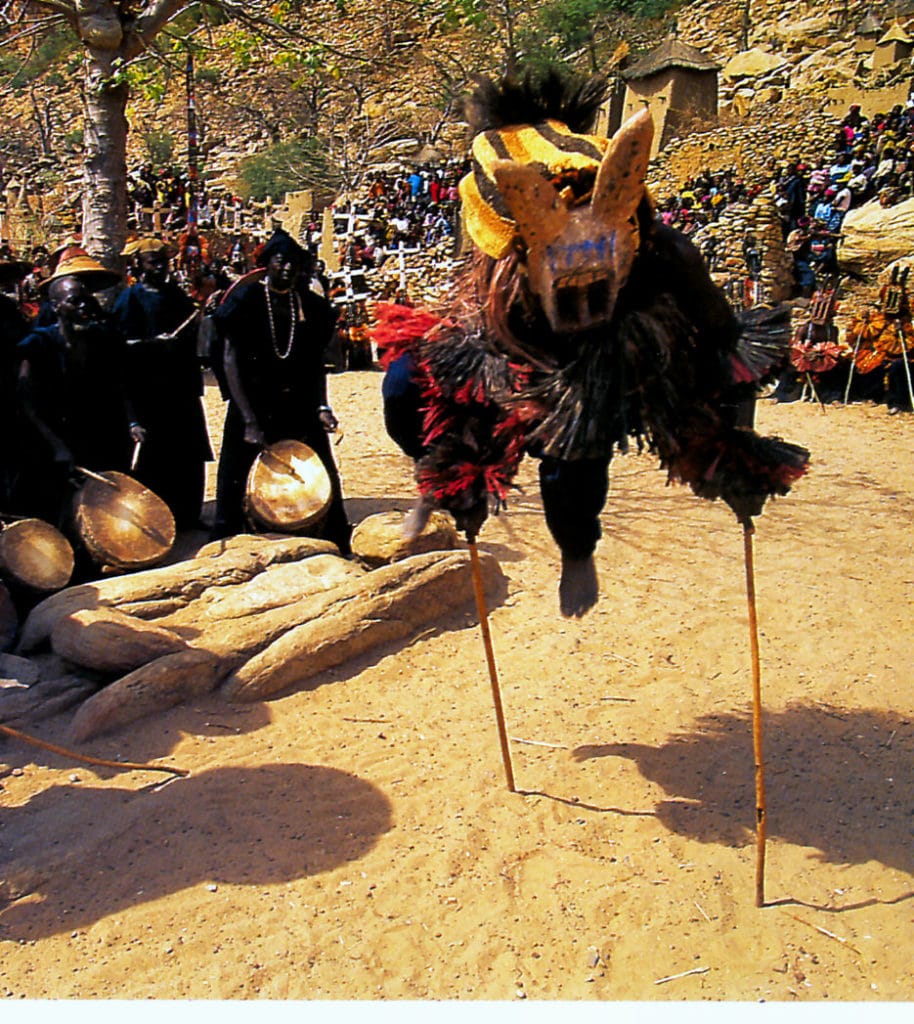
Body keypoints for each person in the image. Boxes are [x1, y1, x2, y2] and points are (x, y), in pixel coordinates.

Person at [210, 228, 351, 553]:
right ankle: (224, 537)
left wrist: (321, 406)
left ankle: (334, 537)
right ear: (266, 264)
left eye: (293, 263)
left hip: (298, 401)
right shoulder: (245, 301)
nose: (287, 268)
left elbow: (315, 363)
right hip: (253, 401)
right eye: (280, 261)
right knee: (234, 470)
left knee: (320, 466)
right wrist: (247, 419)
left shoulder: (311, 306)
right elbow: (230, 360)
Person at [13, 248, 143, 533]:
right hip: (51, 436)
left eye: (86, 300)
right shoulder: (38, 345)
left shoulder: (101, 339)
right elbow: (26, 401)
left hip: (94, 431)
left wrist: (131, 421)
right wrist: (56, 445)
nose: (85, 306)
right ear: (56, 307)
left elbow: (118, 384)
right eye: (75, 301)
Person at [112, 238, 212, 529]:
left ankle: (189, 515)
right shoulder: (130, 299)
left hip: (180, 386)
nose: (159, 267)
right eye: (152, 262)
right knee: (156, 455)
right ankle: (155, 517)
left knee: (189, 451)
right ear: (138, 265)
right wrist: (152, 345)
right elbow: (119, 344)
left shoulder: (175, 295)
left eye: (163, 261)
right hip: (148, 389)